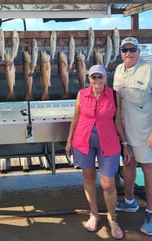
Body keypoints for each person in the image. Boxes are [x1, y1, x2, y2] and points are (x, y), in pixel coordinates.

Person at [66, 64, 130, 240]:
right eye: (93, 77)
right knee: (88, 178)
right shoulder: (81, 94)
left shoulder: (114, 95)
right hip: (83, 140)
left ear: (105, 78)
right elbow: (76, 117)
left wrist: (124, 142)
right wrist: (69, 139)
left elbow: (117, 121)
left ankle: (112, 218)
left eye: (100, 77)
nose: (97, 80)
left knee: (108, 183)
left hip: (108, 142)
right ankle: (93, 213)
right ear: (89, 79)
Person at [113, 37, 152, 236]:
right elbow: (118, 103)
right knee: (128, 164)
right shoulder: (119, 70)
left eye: (132, 49)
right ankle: (129, 201)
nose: (128, 53)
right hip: (126, 131)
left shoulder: (149, 69)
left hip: (146, 132)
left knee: (148, 170)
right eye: (124, 49)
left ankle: (150, 213)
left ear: (139, 51)